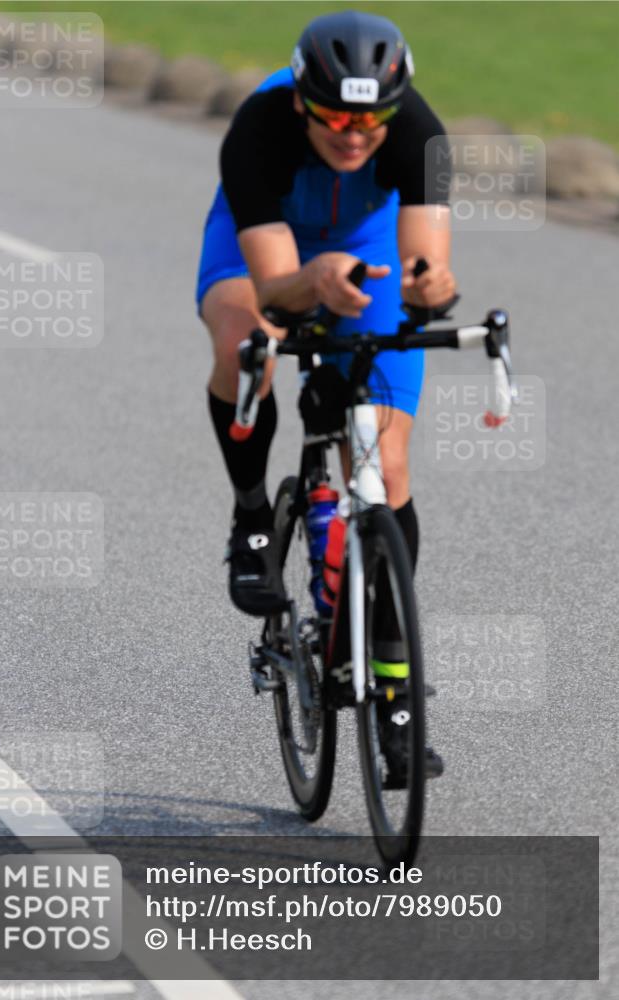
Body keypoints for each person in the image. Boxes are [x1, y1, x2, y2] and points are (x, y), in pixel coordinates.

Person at [196, 10, 455, 783]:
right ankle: (249, 513)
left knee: (387, 464)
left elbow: (423, 266)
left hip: (367, 246)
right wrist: (305, 288)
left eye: (371, 117)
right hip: (270, 243)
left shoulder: (420, 136)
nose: (354, 134)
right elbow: (277, 287)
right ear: (304, 101)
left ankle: (394, 676)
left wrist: (430, 286)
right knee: (246, 341)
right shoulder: (257, 128)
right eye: (336, 117)